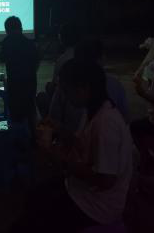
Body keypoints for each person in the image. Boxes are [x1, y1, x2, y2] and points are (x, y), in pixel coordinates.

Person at [12, 59, 133, 232]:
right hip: (80, 189)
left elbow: (106, 180)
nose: (65, 97)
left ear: (84, 88)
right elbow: (83, 144)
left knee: (32, 220)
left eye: (67, 91)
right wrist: (59, 128)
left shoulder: (106, 124)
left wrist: (61, 160)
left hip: (97, 206)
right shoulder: (93, 110)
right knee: (34, 197)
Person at [0, 16, 38, 130]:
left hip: (14, 83)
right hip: (30, 82)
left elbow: (2, 57)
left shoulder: (7, 42)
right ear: (20, 28)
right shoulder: (29, 43)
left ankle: (17, 136)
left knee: (16, 114)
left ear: (7, 30)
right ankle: (32, 136)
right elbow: (36, 62)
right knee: (30, 111)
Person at [37, 23, 80, 119]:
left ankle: (49, 122)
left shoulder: (62, 60)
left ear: (62, 38)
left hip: (66, 104)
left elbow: (54, 86)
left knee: (41, 96)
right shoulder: (84, 56)